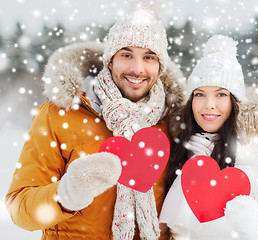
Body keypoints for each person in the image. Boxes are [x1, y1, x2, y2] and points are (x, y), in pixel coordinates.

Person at [5, 3, 184, 240]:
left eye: (148, 57)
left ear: (160, 67)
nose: (136, 68)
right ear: (109, 61)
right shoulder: (59, 114)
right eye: (126, 55)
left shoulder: (174, 122)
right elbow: (20, 209)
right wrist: (66, 195)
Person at [159, 35, 258, 239]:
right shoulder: (178, 153)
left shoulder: (251, 168)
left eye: (221, 94)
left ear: (235, 102)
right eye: (200, 94)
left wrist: (253, 234)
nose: (209, 105)